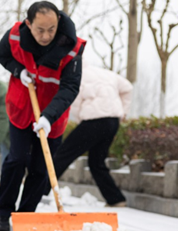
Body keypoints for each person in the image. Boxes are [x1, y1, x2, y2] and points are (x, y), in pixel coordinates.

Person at [0, 1, 85, 231]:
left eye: (51, 29)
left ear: (59, 23)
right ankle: (3, 214)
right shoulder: (14, 36)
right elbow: (1, 55)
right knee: (17, 159)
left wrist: (48, 116)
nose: (46, 36)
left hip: (53, 117)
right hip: (22, 107)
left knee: (41, 168)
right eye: (40, 30)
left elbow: (70, 88)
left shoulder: (72, 48)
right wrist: (18, 71)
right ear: (28, 24)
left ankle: (25, 217)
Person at [52, 63, 132, 207]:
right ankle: (116, 199)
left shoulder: (77, 75)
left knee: (63, 154)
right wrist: (123, 111)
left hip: (93, 121)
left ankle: (39, 191)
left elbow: (74, 102)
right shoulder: (108, 73)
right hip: (113, 121)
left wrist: (78, 120)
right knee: (97, 162)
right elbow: (128, 88)